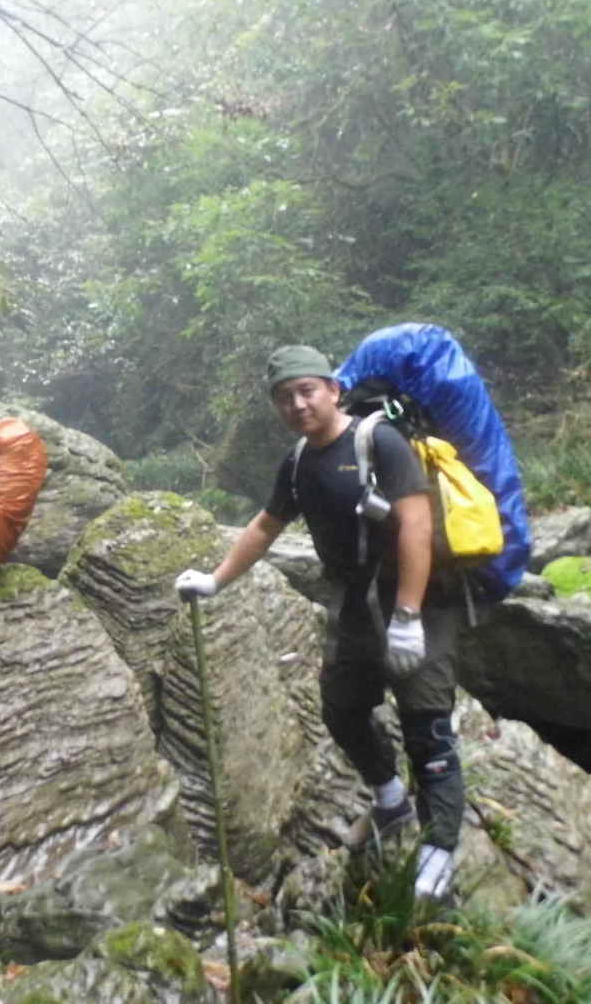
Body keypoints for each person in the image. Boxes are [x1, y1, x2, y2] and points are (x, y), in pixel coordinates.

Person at [174, 345, 463, 903]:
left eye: (307, 390)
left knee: (426, 724)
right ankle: (390, 801)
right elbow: (265, 526)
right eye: (285, 397)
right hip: (355, 602)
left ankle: (441, 844)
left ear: (333, 389)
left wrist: (408, 615)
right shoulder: (300, 461)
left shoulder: (379, 441)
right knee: (342, 708)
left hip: (419, 599)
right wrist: (215, 580)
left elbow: (417, 526)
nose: (298, 404)